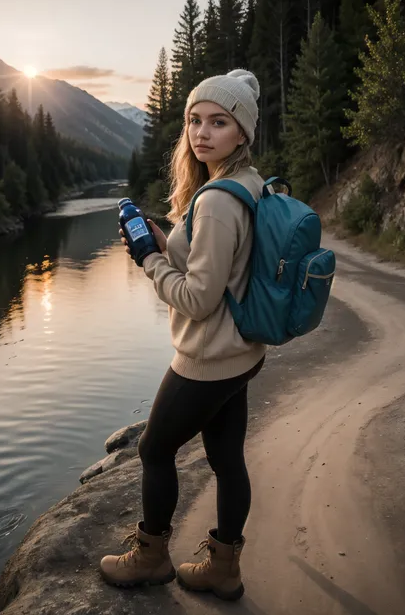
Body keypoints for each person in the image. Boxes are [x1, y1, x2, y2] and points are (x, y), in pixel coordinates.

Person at [100, 69, 266, 602]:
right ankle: (224, 567)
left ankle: (150, 559)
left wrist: (149, 259)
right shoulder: (246, 184)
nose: (201, 132)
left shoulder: (216, 200)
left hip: (208, 355)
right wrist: (167, 239)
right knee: (226, 458)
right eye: (195, 120)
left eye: (219, 122)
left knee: (152, 450)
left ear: (242, 131)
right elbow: (219, 263)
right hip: (241, 350)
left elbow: (198, 297)